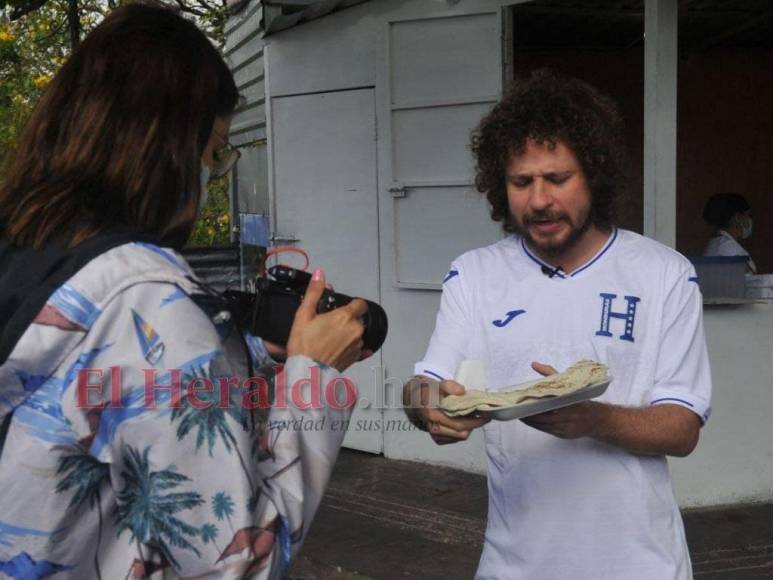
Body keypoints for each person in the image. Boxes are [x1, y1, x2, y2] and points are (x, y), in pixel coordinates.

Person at [0, 4, 365, 578]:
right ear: (164, 145)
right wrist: (311, 375)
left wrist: (247, 358)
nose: (211, 170)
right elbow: (237, 562)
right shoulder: (149, 300)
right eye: (214, 149)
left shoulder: (29, 254)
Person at [403, 70, 712, 579]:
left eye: (558, 179)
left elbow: (682, 429)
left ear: (594, 175)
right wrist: (428, 408)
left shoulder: (664, 275)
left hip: (641, 565)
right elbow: (424, 385)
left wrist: (592, 418)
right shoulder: (475, 274)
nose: (539, 200)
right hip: (514, 565)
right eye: (521, 182)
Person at [703, 192, 756, 273]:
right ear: (738, 217)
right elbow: (747, 278)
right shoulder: (728, 247)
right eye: (749, 215)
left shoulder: (718, 243)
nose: (750, 220)